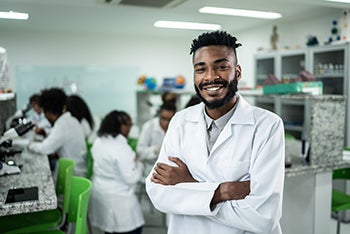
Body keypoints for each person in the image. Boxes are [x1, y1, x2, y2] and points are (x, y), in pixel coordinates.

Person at [145, 31, 285, 234]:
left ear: (237, 72)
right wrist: (223, 191)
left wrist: (189, 185)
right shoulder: (180, 121)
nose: (210, 77)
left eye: (221, 67)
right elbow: (158, 192)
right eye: (201, 69)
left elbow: (263, 217)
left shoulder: (267, 126)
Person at [89, 110, 144, 234]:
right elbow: (132, 178)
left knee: (109, 230)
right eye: (129, 125)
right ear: (121, 126)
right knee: (132, 229)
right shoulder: (122, 149)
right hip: (120, 199)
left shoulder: (99, 141)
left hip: (100, 192)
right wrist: (139, 163)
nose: (130, 129)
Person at [28, 87, 87, 177]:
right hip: (79, 169)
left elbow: (45, 148)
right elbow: (59, 135)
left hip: (73, 175)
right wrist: (45, 133)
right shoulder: (71, 119)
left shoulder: (62, 124)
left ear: (48, 111)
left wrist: (29, 144)